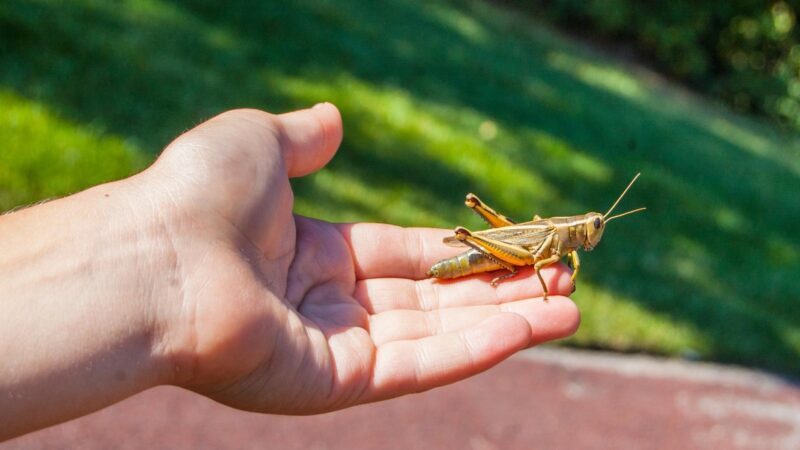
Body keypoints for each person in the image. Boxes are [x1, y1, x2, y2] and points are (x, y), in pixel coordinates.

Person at [0, 103, 579, 441]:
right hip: (490, 249)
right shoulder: (557, 239)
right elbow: (540, 248)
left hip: (506, 253)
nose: (584, 238)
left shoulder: (566, 244)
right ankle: (468, 242)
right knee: (496, 235)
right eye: (587, 231)